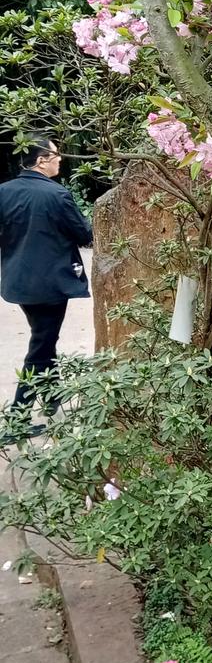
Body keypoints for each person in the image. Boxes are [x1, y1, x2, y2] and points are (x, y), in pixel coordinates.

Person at [0, 137, 93, 438]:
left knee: (44, 337)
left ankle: (51, 397)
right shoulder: (57, 195)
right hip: (50, 287)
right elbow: (83, 233)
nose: (60, 159)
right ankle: (16, 420)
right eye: (56, 155)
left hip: (19, 283)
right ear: (41, 160)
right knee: (41, 346)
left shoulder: (4, 191)